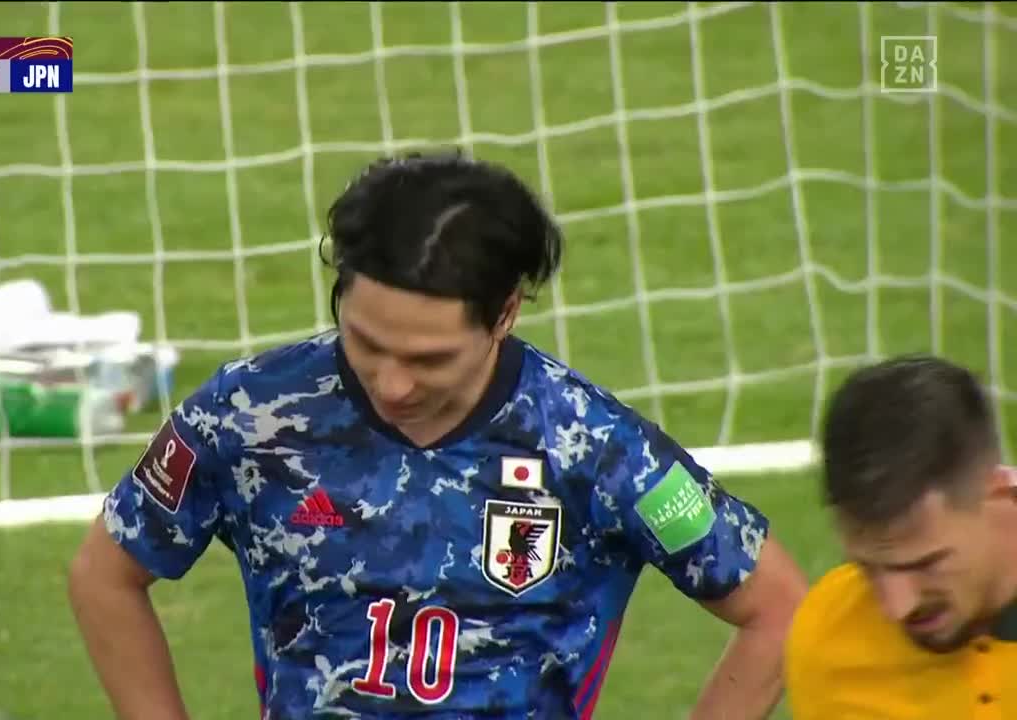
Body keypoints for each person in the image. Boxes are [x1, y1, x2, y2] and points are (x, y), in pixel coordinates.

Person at [67, 151, 808, 719]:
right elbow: (105, 576)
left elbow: (776, 607)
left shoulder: (594, 445)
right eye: (365, 342)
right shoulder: (248, 413)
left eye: (429, 359)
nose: (392, 384)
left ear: (506, 314)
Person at [785, 355, 1017, 719]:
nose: (897, 607)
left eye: (925, 564)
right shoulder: (830, 640)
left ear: (998, 493)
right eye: (867, 568)